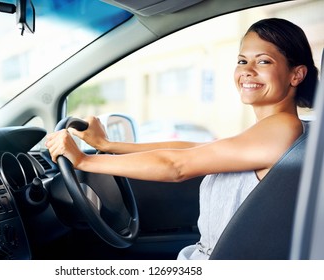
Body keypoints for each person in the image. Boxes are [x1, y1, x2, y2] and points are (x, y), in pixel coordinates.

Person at [45, 18, 318, 260]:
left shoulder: (281, 128)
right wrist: (108, 145)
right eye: (242, 60)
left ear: (297, 74)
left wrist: (84, 161)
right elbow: (195, 149)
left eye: (263, 61)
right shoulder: (278, 129)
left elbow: (177, 165)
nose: (247, 70)